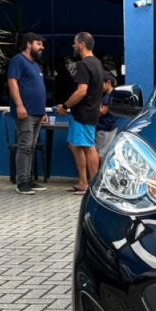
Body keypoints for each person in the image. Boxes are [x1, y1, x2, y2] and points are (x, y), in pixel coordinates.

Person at [55, 32, 103, 195]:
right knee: (74, 145)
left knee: (89, 147)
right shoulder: (97, 63)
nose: (73, 46)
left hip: (84, 113)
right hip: (87, 112)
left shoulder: (84, 64)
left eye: (75, 43)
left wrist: (65, 106)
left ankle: (93, 187)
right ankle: (83, 182)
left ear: (81, 45)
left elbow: (81, 91)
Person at [7, 32, 49, 195]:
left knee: (31, 147)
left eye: (42, 44)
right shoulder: (18, 60)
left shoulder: (36, 65)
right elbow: (12, 82)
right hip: (25, 113)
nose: (42, 47)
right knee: (25, 146)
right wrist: (19, 106)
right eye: (38, 44)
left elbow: (38, 89)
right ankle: (22, 182)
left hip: (37, 113)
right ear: (29, 44)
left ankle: (29, 179)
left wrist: (43, 111)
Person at [95, 71, 117, 165]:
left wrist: (94, 107)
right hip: (108, 126)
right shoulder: (111, 94)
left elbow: (103, 111)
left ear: (108, 82)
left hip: (105, 128)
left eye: (101, 84)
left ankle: (102, 171)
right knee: (102, 151)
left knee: (101, 153)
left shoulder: (109, 96)